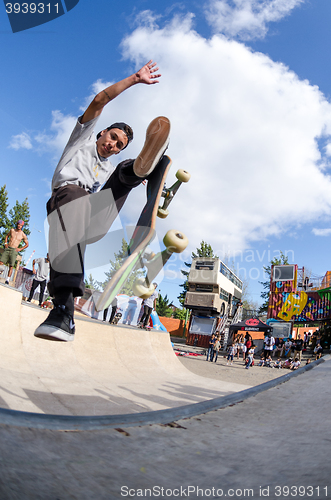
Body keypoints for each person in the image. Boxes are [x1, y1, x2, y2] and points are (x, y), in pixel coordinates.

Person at [33, 60, 170, 342]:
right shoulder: (82, 139)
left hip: (91, 220)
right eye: (112, 137)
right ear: (102, 132)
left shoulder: (109, 166)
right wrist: (135, 79)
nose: (113, 145)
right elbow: (100, 99)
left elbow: (108, 192)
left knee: (121, 175)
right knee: (75, 200)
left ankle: (139, 168)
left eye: (119, 145)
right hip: (66, 200)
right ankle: (63, 310)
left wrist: (134, 181)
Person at [0, 220, 29, 285]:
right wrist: (5, 243)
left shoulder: (23, 235)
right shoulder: (12, 230)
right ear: (17, 224)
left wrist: (20, 249)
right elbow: (7, 236)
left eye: (21, 225)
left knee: (11, 265)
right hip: (8, 248)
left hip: (14, 250)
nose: (19, 226)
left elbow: (27, 244)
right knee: (1, 262)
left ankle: (7, 279)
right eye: (18, 224)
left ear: (22, 226)